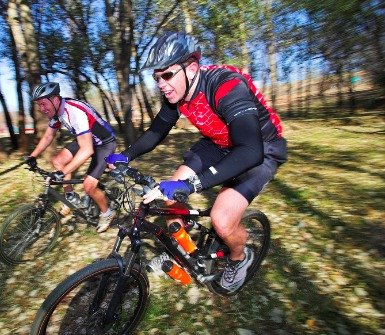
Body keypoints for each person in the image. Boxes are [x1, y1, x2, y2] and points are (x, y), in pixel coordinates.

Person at [106, 32, 287, 293]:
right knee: (170, 198)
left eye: (167, 75)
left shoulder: (226, 85)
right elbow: (157, 131)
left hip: (259, 146)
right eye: (156, 77)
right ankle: (185, 253)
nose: (161, 84)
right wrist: (127, 155)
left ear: (191, 68)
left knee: (221, 220)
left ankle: (239, 257)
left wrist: (193, 185)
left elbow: (249, 150)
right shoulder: (176, 94)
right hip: (217, 142)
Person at [26, 82, 117, 233]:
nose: (41, 109)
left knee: (88, 185)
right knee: (58, 161)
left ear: (55, 99)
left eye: (43, 104)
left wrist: (63, 173)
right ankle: (70, 197)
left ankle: (107, 213)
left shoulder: (73, 111)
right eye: (38, 105)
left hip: (104, 143)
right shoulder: (56, 113)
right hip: (88, 139)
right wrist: (33, 156)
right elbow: (48, 136)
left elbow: (87, 149)